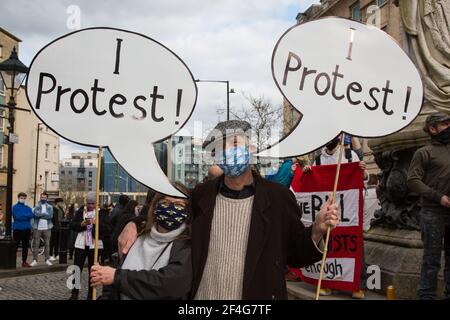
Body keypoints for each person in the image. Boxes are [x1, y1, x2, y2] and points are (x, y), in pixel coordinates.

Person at [118, 120, 339, 300]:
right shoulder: (201, 195)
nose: (227, 151)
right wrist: (132, 224)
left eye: (234, 143)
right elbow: (166, 215)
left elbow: (295, 255)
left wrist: (317, 230)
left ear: (252, 148)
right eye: (219, 148)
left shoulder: (278, 198)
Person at [91, 183, 192, 300]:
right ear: (155, 207)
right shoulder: (135, 236)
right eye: (165, 203)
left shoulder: (187, 245)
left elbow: (171, 284)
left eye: (179, 205)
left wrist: (117, 277)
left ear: (187, 210)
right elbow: (111, 288)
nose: (171, 209)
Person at [303, 135, 367, 299]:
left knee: (353, 245)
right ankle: (326, 283)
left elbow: (363, 177)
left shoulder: (349, 155)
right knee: (328, 246)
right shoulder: (317, 160)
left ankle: (356, 285)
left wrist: (361, 170)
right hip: (327, 211)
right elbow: (309, 182)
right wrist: (306, 173)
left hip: (347, 212)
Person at [407, 112, 450, 300]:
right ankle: (426, 295)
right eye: (445, 124)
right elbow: (413, 180)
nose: (449, 127)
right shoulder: (424, 152)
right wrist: (438, 197)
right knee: (431, 259)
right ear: (433, 128)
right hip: (433, 213)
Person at [69, 191, 107, 300]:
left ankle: (91, 294)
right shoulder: (81, 211)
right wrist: (81, 224)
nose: (90, 205)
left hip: (94, 245)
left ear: (97, 203)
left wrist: (95, 224)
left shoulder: (102, 213)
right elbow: (73, 224)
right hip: (81, 244)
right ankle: (74, 293)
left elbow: (107, 229)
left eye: (92, 203)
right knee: (76, 269)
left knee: (93, 271)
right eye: (88, 203)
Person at [31, 192, 54, 267]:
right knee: (36, 244)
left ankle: (47, 259)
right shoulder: (37, 206)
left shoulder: (50, 207)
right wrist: (44, 214)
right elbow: (35, 215)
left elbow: (50, 216)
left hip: (47, 228)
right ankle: (35, 260)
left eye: (44, 197)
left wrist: (40, 215)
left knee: (47, 244)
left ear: (47, 198)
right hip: (37, 227)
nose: (43, 198)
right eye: (41, 197)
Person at [12, 192, 34, 268]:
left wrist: (23, 215)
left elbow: (31, 215)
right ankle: (12, 262)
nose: (23, 199)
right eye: (21, 198)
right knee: (15, 246)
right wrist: (26, 215)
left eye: (24, 198)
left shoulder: (28, 208)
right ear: (18, 198)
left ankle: (24, 262)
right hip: (17, 229)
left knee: (25, 247)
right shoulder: (15, 207)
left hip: (26, 229)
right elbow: (17, 217)